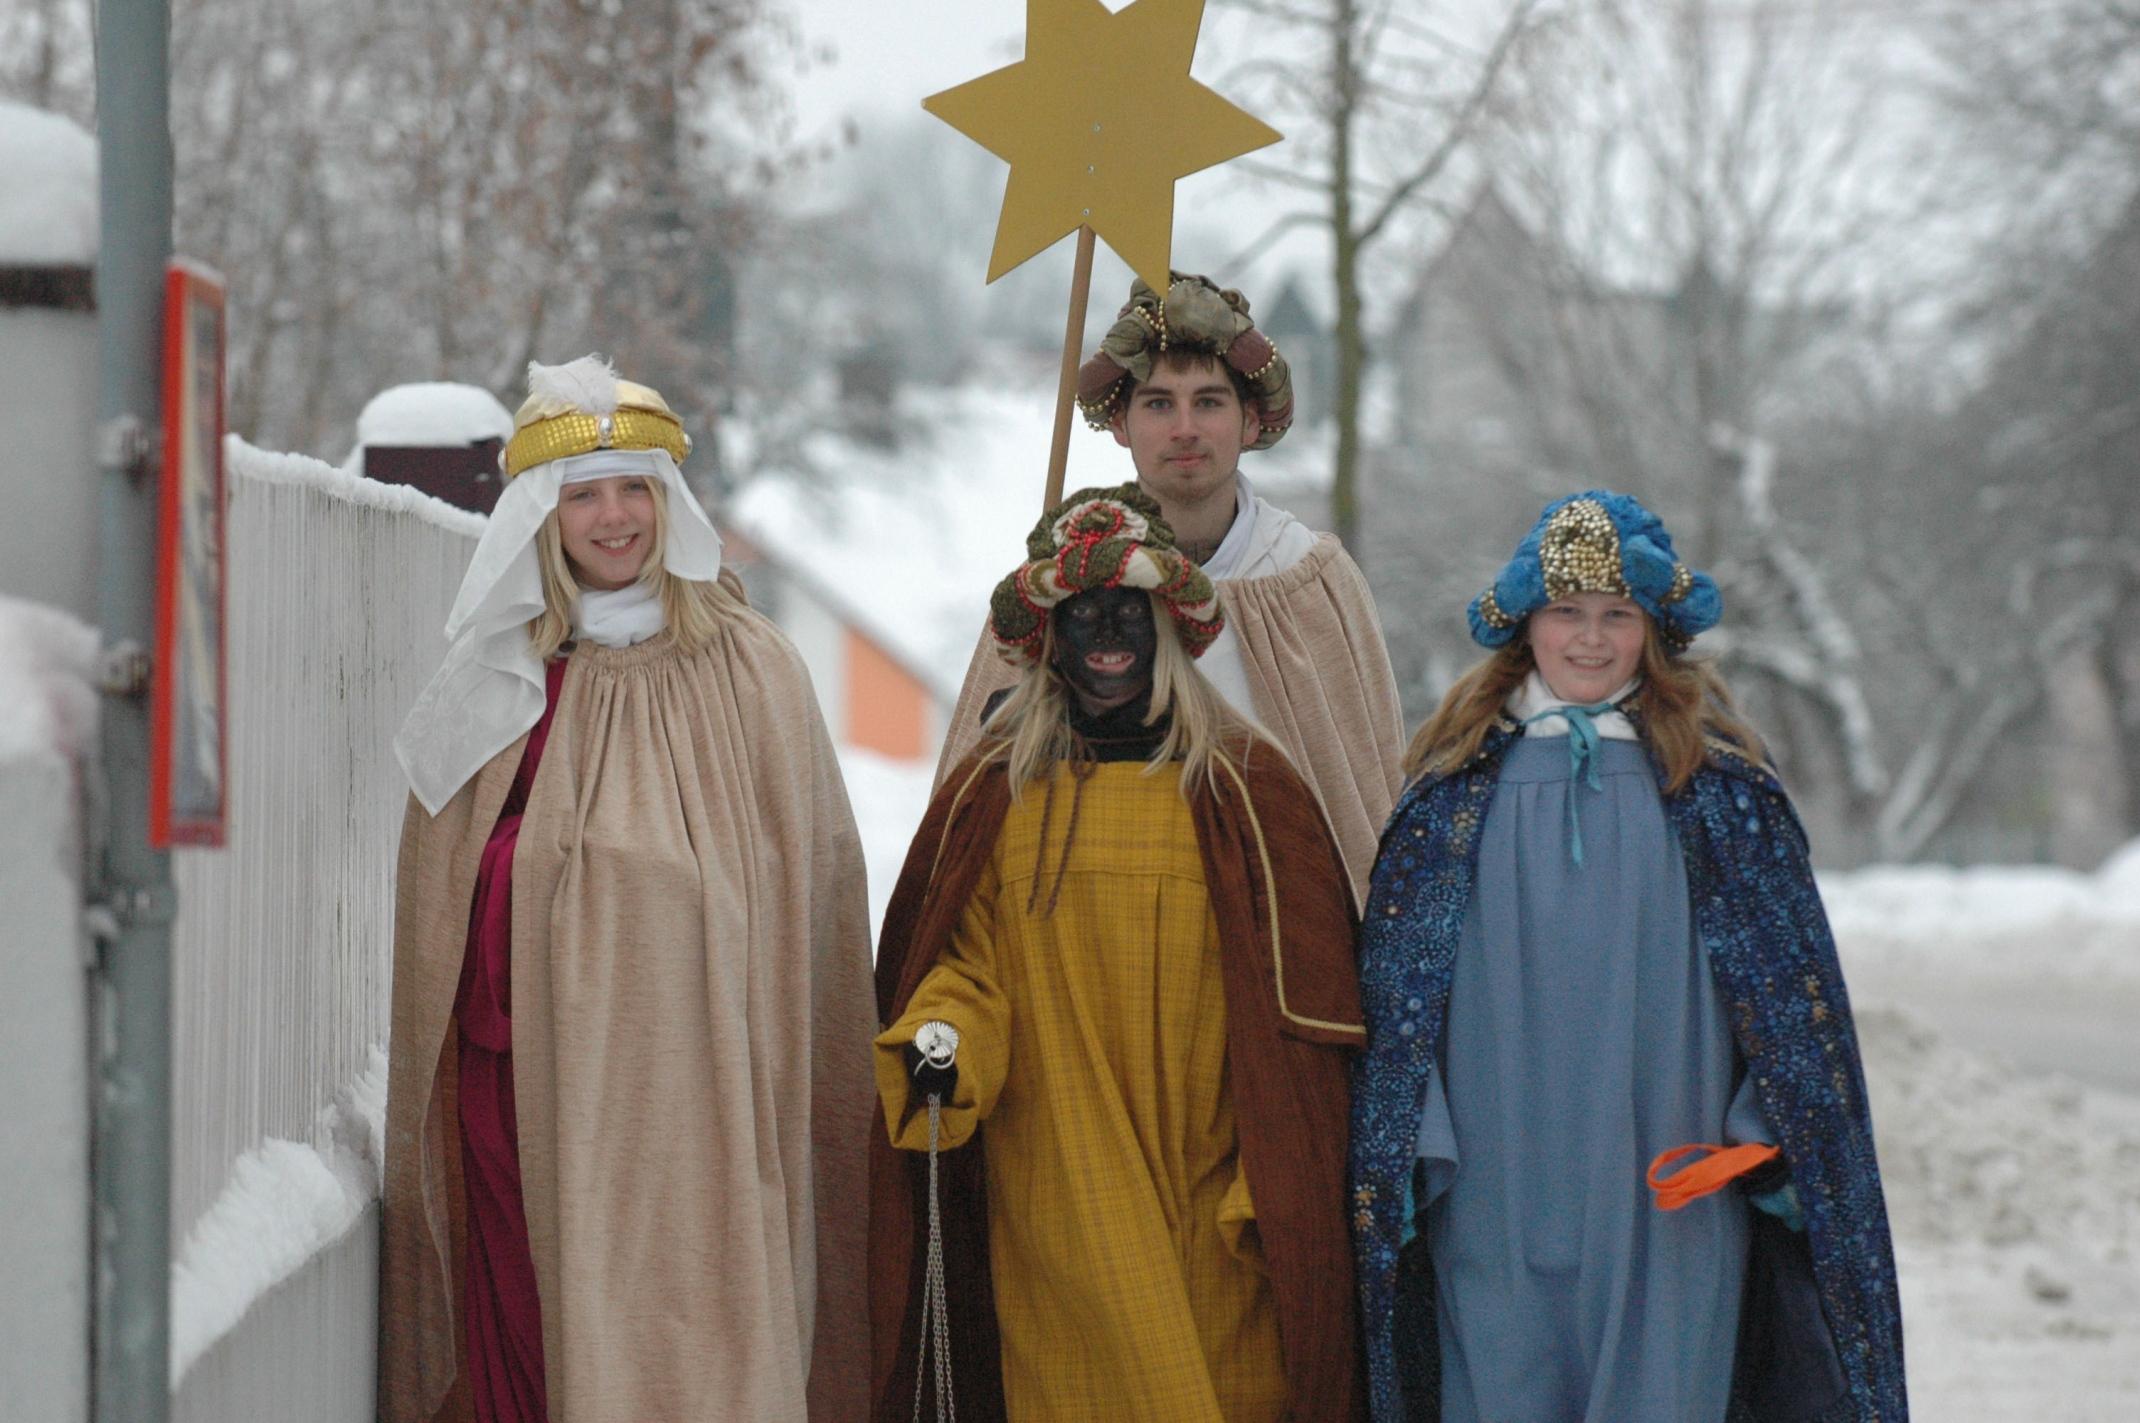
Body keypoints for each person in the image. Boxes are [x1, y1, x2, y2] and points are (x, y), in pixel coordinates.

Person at [379, 357, 875, 1423]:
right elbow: (441, 913)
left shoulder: (754, 668)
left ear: (668, 500)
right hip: (541, 1093)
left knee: (710, 1309)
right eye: (582, 494)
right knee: (555, 1324)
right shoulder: (497, 680)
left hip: (717, 1094)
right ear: (541, 518)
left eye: (633, 487)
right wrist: (576, 875)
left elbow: (811, 888)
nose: (613, 517)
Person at [1348, 491, 1906, 1422]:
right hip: (1493, 1178)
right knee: (1497, 1382)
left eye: (1619, 615)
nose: (1592, 638)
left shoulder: (1723, 792)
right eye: (1568, 611)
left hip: (1672, 1181)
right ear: (1526, 625)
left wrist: (1766, 1133)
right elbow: (1401, 1003)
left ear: (1655, 630)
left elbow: (1788, 1000)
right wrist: (1409, 1143)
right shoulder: (1448, 796)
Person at [870, 485, 1365, 1423]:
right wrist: (942, 1040)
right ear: (1047, 637)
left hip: (1214, 1192)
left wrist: (1274, 1176)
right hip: (1057, 1184)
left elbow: (1301, 1014)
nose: (1105, 632)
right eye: (1082, 612)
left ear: (1167, 624)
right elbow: (964, 967)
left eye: (1127, 609)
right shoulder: (994, 794)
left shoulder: (1246, 791)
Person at [935, 273, 1405, 905]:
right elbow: (969, 816)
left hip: (1274, 940)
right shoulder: (1060, 582)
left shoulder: (1309, 581)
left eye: (1208, 402)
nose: (1185, 428)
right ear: (1122, 425)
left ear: (1249, 422)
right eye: (1158, 403)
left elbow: (1364, 807)